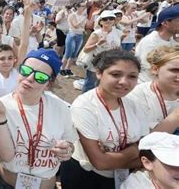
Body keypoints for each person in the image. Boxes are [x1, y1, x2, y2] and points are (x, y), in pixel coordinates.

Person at [0, 48, 77, 189]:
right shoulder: (1, 107)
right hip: (4, 184)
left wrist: (67, 150)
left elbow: (70, 144)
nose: (29, 79)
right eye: (26, 70)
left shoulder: (61, 108)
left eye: (40, 77)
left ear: (49, 83)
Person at [61, 49, 147, 189]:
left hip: (120, 177)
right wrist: (133, 151)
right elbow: (100, 163)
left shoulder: (134, 105)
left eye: (132, 76)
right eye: (115, 74)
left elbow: (146, 151)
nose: (124, 82)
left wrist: (113, 157)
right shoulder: (85, 106)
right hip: (85, 178)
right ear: (99, 73)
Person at [127, 45, 179, 133]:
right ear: (155, 69)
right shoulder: (137, 96)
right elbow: (145, 139)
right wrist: (176, 116)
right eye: (174, 70)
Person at [80, 10, 126, 93]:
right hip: (96, 63)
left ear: (114, 20)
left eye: (111, 18)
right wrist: (98, 44)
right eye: (105, 19)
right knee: (90, 85)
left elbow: (119, 47)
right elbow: (86, 49)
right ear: (100, 21)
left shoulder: (119, 33)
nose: (108, 21)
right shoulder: (96, 33)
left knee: (101, 86)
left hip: (110, 63)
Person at [135, 6, 179, 83]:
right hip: (149, 84)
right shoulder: (151, 42)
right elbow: (148, 68)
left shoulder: (172, 39)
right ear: (165, 23)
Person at [60, 2, 87, 76]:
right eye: (82, 6)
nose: (84, 7)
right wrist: (83, 19)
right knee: (68, 53)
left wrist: (83, 30)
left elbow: (82, 27)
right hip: (72, 35)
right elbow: (76, 25)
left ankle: (68, 69)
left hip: (80, 35)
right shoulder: (72, 15)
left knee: (74, 54)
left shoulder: (83, 16)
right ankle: (62, 68)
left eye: (85, 6)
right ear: (77, 7)